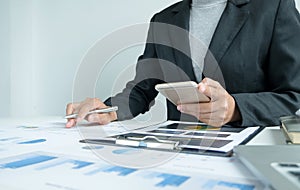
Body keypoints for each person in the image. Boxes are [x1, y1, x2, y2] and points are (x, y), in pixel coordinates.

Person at [66, 0, 300, 128]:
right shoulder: (163, 20)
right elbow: (140, 91)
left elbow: (293, 95)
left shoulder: (274, 7)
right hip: (180, 152)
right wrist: (108, 109)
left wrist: (235, 108)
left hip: (247, 150)